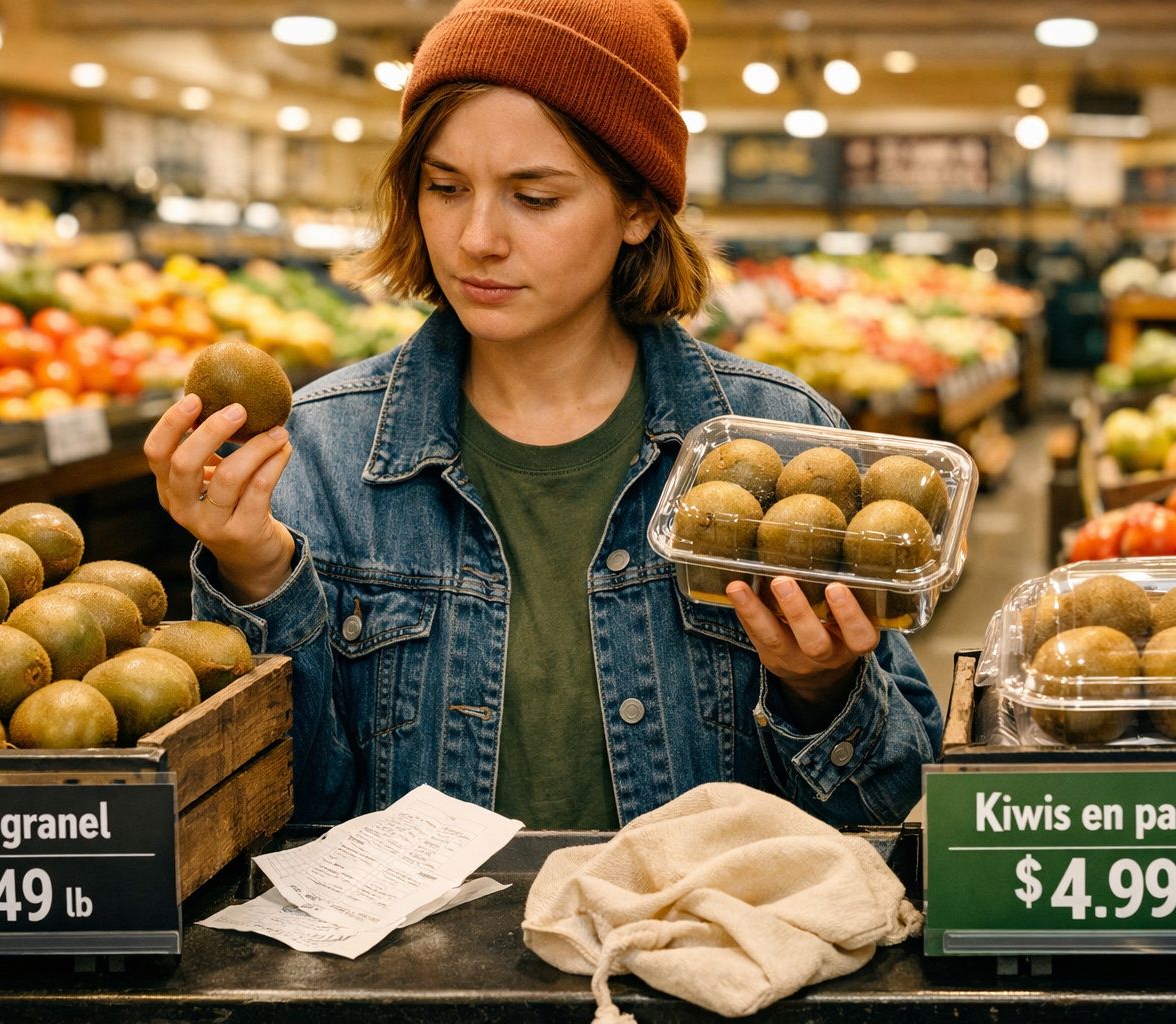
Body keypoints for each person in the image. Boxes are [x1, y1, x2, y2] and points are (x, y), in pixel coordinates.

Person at [144, 0, 942, 830]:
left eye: (534, 197)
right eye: (445, 188)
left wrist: (822, 689)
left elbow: (894, 804)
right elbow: (277, 817)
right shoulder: (321, 451)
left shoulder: (775, 441)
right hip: (423, 961)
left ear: (638, 208)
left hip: (682, 950)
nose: (477, 238)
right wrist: (257, 574)